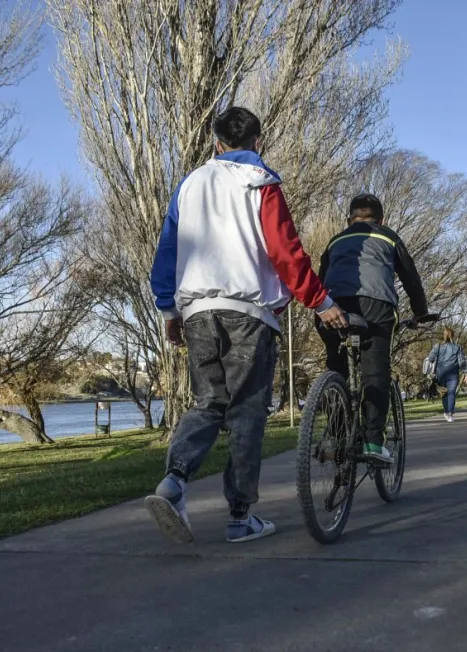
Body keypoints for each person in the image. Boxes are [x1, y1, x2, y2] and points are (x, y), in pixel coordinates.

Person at [147, 107, 347, 545]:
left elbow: (166, 254)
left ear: (216, 143)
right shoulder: (261, 183)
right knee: (246, 413)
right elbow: (285, 250)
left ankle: (175, 481)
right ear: (258, 141)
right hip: (248, 313)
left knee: (207, 401)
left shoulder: (189, 185)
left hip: (198, 309)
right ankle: (240, 517)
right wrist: (319, 300)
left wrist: (169, 312)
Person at [318, 193, 428, 463]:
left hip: (332, 305)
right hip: (376, 305)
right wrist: (420, 312)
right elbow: (410, 277)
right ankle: (373, 443)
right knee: (376, 371)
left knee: (337, 368)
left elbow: (320, 279)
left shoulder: (335, 241)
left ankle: (335, 436)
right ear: (382, 220)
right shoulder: (388, 236)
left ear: (349, 220)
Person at [427, 328, 467, 422]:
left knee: (444, 393)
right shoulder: (457, 347)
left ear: (444, 335)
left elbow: (430, 358)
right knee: (452, 392)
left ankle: (446, 412)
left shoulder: (438, 346)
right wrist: (466, 373)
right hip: (453, 373)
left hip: (441, 373)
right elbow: (462, 362)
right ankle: (450, 413)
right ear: (452, 335)